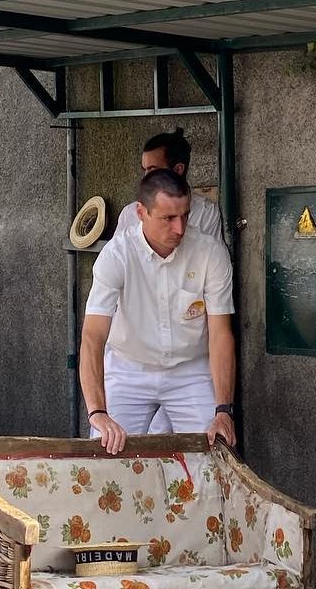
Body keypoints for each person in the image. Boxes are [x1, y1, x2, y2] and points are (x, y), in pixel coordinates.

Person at [80, 169, 237, 455]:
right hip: (128, 367)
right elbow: (93, 336)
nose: (179, 228)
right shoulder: (116, 255)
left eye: (185, 215)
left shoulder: (211, 252)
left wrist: (223, 409)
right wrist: (97, 413)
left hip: (191, 368)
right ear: (141, 213)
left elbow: (220, 334)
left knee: (215, 453)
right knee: (105, 456)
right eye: (168, 218)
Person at [114, 129, 225, 244]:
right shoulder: (130, 214)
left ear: (178, 170)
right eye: (145, 169)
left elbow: (212, 257)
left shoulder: (205, 213)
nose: (145, 177)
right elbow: (116, 256)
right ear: (141, 214)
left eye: (153, 170)